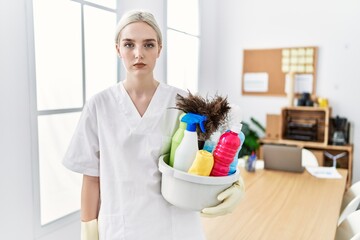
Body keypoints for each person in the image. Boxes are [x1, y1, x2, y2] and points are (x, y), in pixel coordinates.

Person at [63, 10, 244, 240]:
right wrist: (88, 230)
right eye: (129, 44)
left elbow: (214, 154)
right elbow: (91, 177)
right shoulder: (99, 106)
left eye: (148, 45)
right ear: (118, 49)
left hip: (176, 228)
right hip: (121, 228)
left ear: (159, 48)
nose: (139, 54)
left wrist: (235, 184)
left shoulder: (184, 103)